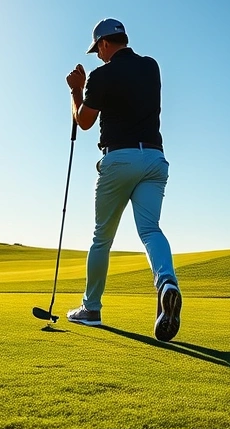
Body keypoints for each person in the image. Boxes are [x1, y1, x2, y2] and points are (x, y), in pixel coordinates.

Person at [64, 18, 182, 342]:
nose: (98, 56)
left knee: (102, 238)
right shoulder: (151, 67)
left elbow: (84, 121)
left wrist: (77, 90)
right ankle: (167, 282)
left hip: (120, 159)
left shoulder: (101, 75)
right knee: (150, 230)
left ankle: (91, 309)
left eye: (97, 50)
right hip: (155, 159)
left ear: (103, 44)